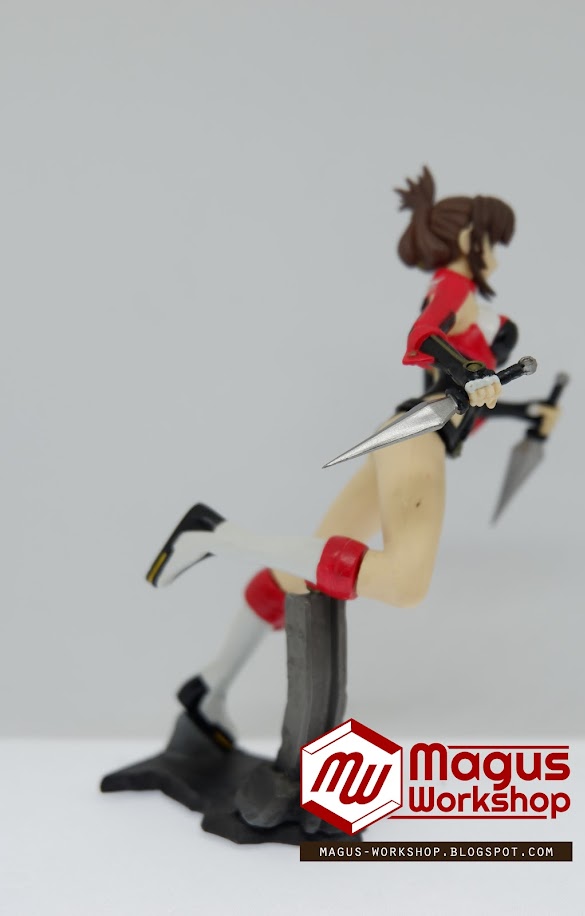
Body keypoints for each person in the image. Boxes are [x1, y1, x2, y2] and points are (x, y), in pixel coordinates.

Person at [145, 167, 560, 746]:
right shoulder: (453, 287)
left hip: (411, 434)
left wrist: (527, 411)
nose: (494, 255)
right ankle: (218, 536)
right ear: (469, 239)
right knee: (406, 583)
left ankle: (210, 686)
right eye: (491, 241)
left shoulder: (469, 302)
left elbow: (471, 400)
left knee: (300, 569)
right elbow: (421, 338)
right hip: (419, 438)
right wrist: (469, 368)